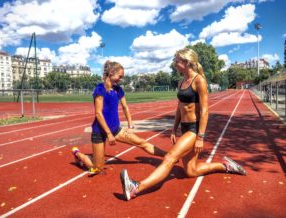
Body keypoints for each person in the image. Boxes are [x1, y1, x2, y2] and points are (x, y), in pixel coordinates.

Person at [120, 48, 246, 201]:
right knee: (191, 171)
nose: (175, 64)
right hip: (184, 128)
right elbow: (180, 107)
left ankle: (136, 187)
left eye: (177, 61)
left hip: (194, 129)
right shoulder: (181, 82)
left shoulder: (199, 80)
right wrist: (174, 128)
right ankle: (225, 166)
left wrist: (200, 136)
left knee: (170, 158)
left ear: (186, 62)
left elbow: (205, 111)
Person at [71, 60, 166, 175]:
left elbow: (125, 107)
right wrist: (109, 134)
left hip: (116, 129)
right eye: (120, 76)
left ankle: (168, 155)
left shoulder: (118, 89)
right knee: (98, 169)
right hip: (99, 131)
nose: (121, 79)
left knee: (141, 142)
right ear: (111, 73)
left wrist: (130, 124)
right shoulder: (100, 89)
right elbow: (98, 114)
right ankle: (78, 154)